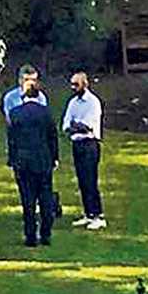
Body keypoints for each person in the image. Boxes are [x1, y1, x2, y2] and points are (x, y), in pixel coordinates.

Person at [7, 76, 59, 248]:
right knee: (45, 197)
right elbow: (53, 137)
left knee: (27, 200)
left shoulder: (15, 114)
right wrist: (54, 157)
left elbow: (12, 140)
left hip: (23, 161)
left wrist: (12, 159)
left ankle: (30, 235)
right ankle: (46, 234)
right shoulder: (46, 113)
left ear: (24, 96)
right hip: (43, 160)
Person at [61, 71, 104, 230]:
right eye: (72, 84)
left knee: (90, 179)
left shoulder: (93, 102)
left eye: (76, 84)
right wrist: (76, 127)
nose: (73, 87)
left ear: (85, 84)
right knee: (81, 180)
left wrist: (77, 126)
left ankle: (98, 215)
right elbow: (66, 125)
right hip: (77, 145)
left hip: (90, 144)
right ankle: (88, 213)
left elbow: (88, 126)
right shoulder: (73, 103)